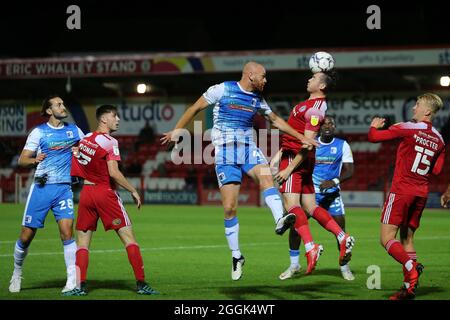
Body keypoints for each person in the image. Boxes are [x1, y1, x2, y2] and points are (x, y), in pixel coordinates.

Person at [161, 61, 319, 281]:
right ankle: (236, 255)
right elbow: (194, 108)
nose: (266, 80)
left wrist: (301, 136)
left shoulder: (257, 99)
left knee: (266, 178)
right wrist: (178, 130)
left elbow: (275, 120)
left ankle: (280, 219)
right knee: (229, 208)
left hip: (247, 149)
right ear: (251, 75)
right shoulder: (222, 89)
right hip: (225, 154)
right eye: (263, 76)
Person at [64, 105, 159, 296]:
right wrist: (133, 190)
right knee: (129, 240)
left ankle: (79, 287)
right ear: (104, 119)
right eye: (115, 116)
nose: (118, 120)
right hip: (104, 193)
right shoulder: (109, 141)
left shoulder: (85, 140)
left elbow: (76, 160)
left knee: (83, 244)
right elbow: (113, 173)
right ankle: (141, 284)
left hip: (86, 194)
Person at [272, 72, 355, 276]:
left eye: (315, 77)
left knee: (292, 207)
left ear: (322, 86)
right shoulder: (307, 105)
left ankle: (310, 246)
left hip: (295, 159)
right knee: (310, 206)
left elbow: (307, 144)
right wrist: (277, 156)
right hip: (293, 156)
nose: (309, 79)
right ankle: (342, 236)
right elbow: (295, 133)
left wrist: (289, 168)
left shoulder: (317, 109)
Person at [368, 93, 445, 300]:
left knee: (386, 239)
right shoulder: (439, 138)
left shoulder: (409, 128)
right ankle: (408, 288)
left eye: (417, 105)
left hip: (401, 190)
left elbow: (374, 138)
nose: (413, 109)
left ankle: (411, 267)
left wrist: (374, 126)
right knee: (407, 238)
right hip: (421, 193)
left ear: (427, 111)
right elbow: (437, 170)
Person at [8, 95, 84, 294]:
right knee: (26, 237)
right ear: (49, 111)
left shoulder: (74, 130)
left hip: (64, 189)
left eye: (63, 103)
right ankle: (17, 272)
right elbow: (22, 160)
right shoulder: (39, 132)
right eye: (58, 104)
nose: (63, 106)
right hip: (42, 188)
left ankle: (71, 280)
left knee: (67, 232)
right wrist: (35, 160)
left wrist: (80, 154)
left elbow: (88, 152)